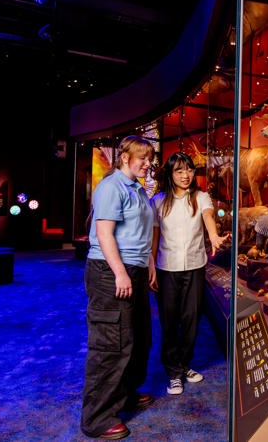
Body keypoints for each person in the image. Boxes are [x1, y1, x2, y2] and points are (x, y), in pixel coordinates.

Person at [80, 136, 156, 440]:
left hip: (133, 269)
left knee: (137, 337)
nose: (148, 164)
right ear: (124, 157)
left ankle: (122, 394)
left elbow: (140, 231)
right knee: (111, 343)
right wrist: (120, 273)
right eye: (142, 158)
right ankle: (97, 417)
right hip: (109, 271)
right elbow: (104, 234)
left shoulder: (136, 188)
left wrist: (148, 261)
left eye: (150, 158)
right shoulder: (111, 186)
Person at [150, 152, 230, 395]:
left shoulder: (202, 197)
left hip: (195, 267)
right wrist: (151, 265)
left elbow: (208, 217)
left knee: (192, 320)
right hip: (166, 269)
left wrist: (214, 236)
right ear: (171, 174)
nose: (186, 175)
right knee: (169, 321)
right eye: (179, 171)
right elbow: (154, 237)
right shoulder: (158, 201)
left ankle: (185, 365)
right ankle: (173, 373)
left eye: (189, 170)